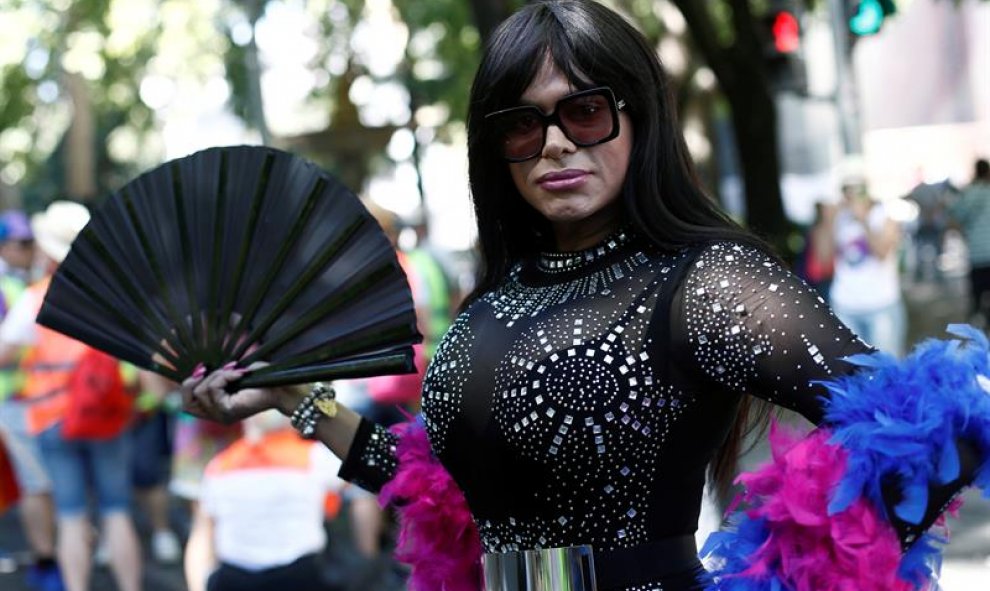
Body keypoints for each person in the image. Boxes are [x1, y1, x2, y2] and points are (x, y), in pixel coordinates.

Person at [179, 2, 985, 590]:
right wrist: (294, 399)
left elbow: (936, 427)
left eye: (585, 111)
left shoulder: (704, 278)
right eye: (522, 125)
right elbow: (449, 494)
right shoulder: (495, 299)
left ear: (637, 118)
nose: (556, 142)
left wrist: (783, 580)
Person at [0, 201, 142, 591]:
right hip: (107, 415)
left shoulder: (35, 298)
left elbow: (3, 354)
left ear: (48, 249)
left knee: (71, 516)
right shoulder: (111, 297)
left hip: (52, 419)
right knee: (117, 512)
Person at [183, 409, 374, 591]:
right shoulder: (314, 456)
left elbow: (202, 535)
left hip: (234, 577)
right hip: (300, 576)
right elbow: (366, 483)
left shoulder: (219, 465)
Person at [828, 180, 906, 357]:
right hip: (845, 306)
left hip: (881, 305)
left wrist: (863, 220)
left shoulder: (885, 216)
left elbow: (881, 253)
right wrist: (828, 220)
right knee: (853, 372)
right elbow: (824, 256)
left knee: (884, 368)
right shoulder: (840, 218)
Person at [948, 158, 990, 324]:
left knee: (977, 296)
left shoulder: (968, 193)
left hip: (977, 254)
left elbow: (953, 219)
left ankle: (977, 327)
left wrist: (966, 233)